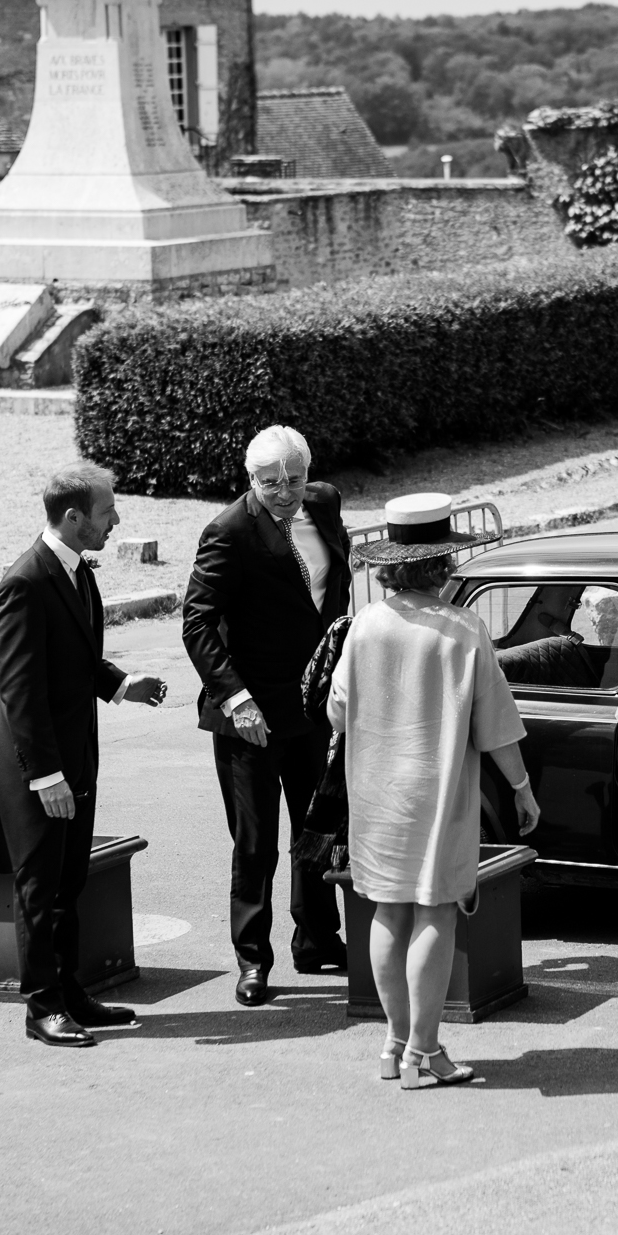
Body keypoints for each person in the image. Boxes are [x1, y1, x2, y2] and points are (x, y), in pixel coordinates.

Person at [329, 493, 540, 1090]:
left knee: (387, 912)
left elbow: (337, 712)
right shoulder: (464, 630)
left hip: (375, 794)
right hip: (439, 788)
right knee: (435, 913)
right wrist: (521, 788)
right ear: (443, 563)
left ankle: (393, 1046)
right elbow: (497, 725)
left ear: (392, 564)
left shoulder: (366, 624)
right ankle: (425, 1051)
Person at [0, 462, 168, 1049]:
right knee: (41, 885)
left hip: (74, 750)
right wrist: (44, 775)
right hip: (36, 761)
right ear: (73, 517)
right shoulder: (24, 581)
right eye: (108, 511)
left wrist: (122, 684)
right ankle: (42, 1007)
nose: (116, 519)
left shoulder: (77, 572)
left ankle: (70, 993)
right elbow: (20, 687)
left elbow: (72, 659)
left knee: (70, 879)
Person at [182, 425, 349, 1008]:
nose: (283, 492)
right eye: (268, 482)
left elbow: (332, 598)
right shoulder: (227, 532)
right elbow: (197, 624)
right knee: (256, 845)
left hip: (313, 708)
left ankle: (318, 938)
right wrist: (235, 698)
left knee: (318, 827)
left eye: (293, 479)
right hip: (249, 716)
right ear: (250, 479)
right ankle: (253, 960)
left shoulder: (324, 504)